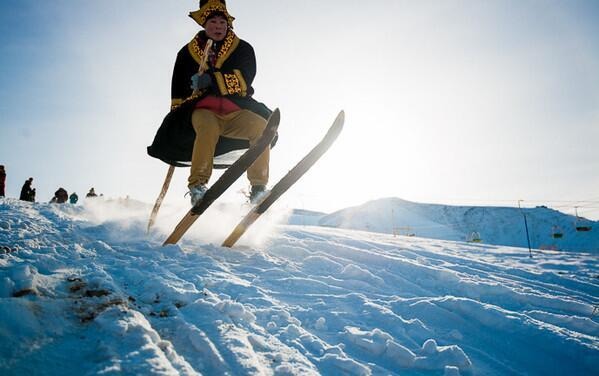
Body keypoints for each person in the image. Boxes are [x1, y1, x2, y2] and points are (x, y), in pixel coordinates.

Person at [147, 0, 274, 206]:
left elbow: (245, 78)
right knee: (207, 129)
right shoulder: (186, 53)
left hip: (235, 110)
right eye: (213, 22)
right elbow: (178, 86)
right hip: (203, 109)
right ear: (204, 25)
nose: (218, 26)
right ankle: (198, 186)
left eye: (222, 22)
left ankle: (258, 187)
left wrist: (212, 79)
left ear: (228, 24)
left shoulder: (242, 48)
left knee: (262, 127)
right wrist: (177, 116)